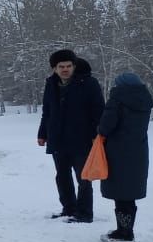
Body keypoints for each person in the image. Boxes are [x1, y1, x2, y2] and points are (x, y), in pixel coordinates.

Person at [37, 49, 104, 223]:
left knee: (83, 177)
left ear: (74, 66)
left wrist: (95, 135)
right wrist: (42, 133)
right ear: (54, 68)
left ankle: (84, 213)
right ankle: (68, 208)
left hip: (81, 139)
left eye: (68, 66)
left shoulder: (88, 83)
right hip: (57, 138)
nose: (65, 69)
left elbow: (98, 111)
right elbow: (47, 111)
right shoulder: (51, 83)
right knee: (62, 176)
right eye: (61, 66)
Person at [96, 72, 152, 242]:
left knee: (120, 192)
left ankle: (124, 233)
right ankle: (126, 229)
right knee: (129, 192)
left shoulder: (117, 100)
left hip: (117, 152)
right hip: (138, 151)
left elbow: (106, 127)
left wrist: (99, 129)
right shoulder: (145, 101)